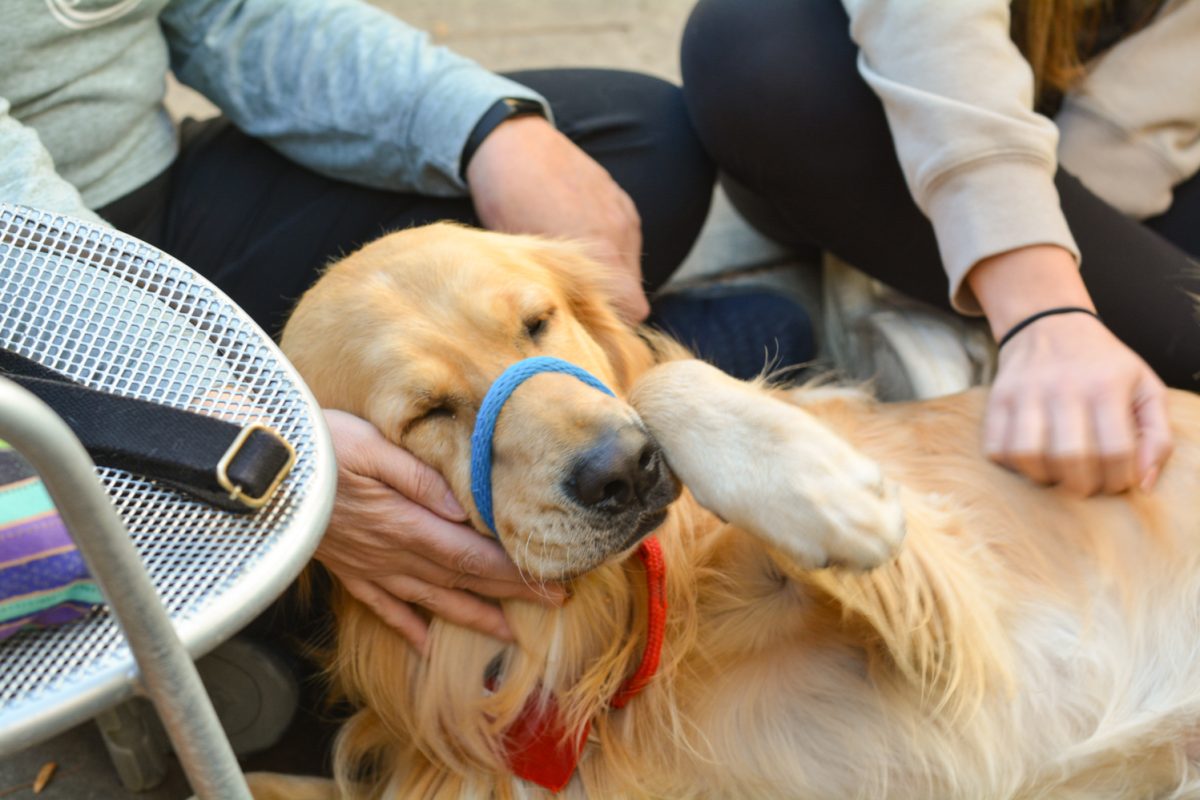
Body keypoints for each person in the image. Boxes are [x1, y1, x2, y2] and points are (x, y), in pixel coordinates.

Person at [0, 0, 740, 653]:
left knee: (643, 139)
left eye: (538, 324)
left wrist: (486, 130)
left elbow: (232, 13)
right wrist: (268, 456)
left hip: (144, 182)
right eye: (432, 408)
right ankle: (261, 630)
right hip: (22, 300)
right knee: (761, 329)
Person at [681, 0, 1198, 498]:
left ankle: (941, 294)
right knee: (755, 43)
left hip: (1135, 156)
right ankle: (954, 281)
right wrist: (1041, 303)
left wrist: (1070, 219)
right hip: (894, 95)